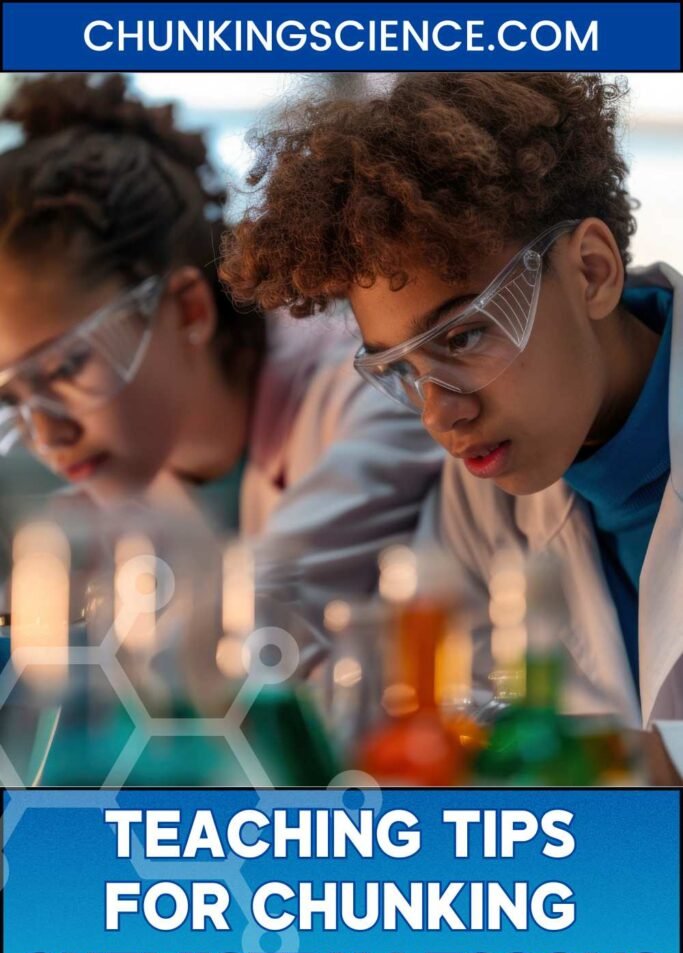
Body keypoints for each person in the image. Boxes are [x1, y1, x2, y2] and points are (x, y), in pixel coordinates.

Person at [221, 71, 683, 727]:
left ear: (590, 272)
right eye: (401, 369)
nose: (440, 415)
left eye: (464, 336)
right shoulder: (483, 502)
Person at [0, 73, 443, 665]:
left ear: (188, 309)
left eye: (67, 367)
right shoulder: (128, 486)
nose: (48, 435)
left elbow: (244, 635)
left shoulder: (373, 397)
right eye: (12, 400)